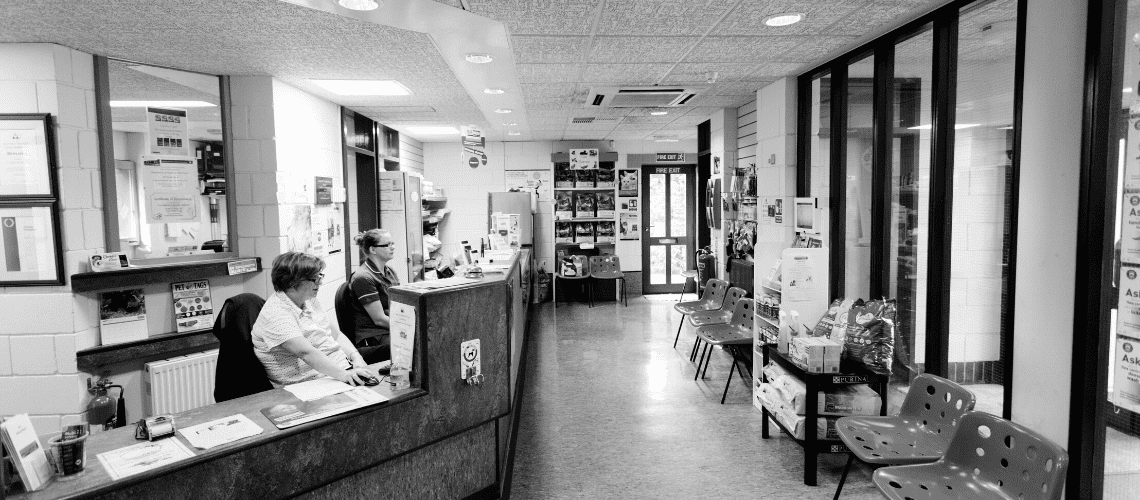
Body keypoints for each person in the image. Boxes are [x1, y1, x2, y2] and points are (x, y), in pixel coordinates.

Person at [251, 251, 373, 387]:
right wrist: (345, 375)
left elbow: (335, 335)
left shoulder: (309, 299)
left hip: (338, 370)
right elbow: (306, 353)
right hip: (309, 383)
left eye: (319, 276)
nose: (320, 282)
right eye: (314, 279)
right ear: (292, 281)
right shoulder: (276, 313)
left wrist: (356, 357)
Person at [347, 229, 401, 362]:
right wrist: (408, 327)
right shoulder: (363, 277)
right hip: (374, 336)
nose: (392, 247)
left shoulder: (390, 271)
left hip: (388, 329)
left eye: (392, 243)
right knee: (414, 344)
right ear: (373, 249)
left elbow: (398, 303)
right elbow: (379, 319)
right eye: (387, 245)